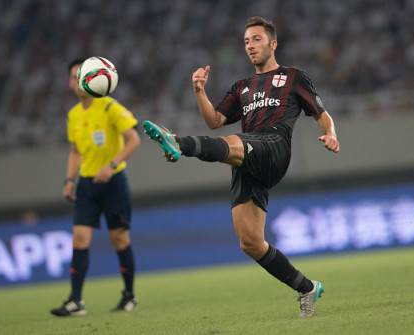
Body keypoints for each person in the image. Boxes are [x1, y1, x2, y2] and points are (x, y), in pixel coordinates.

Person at [142, 16, 340, 317]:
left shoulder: (293, 77)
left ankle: (178, 143)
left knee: (232, 141)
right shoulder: (242, 87)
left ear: (273, 43)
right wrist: (199, 91)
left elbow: (321, 114)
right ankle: (307, 288)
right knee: (250, 242)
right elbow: (214, 121)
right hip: (247, 158)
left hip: (274, 147)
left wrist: (330, 133)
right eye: (246, 41)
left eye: (257, 39)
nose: (250, 46)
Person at [51, 58, 141, 317]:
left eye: (78, 75)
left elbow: (134, 140)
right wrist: (70, 180)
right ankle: (75, 301)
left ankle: (129, 296)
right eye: (71, 77)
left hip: (114, 183)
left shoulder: (110, 106)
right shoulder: (73, 114)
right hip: (87, 185)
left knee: (119, 239)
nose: (74, 81)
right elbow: (75, 152)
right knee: (79, 239)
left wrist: (111, 166)